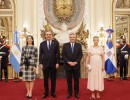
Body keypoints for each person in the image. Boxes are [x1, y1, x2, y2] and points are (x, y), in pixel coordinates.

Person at [39, 30, 60, 98]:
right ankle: (46, 92)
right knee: (45, 79)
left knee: (53, 79)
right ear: (45, 35)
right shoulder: (42, 44)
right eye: (47, 34)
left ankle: (53, 92)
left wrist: (57, 62)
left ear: (52, 35)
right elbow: (40, 54)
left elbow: (58, 54)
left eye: (49, 34)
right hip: (45, 64)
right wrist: (40, 63)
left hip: (53, 64)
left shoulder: (56, 43)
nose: (48, 35)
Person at [62, 33, 83, 99]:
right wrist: (68, 62)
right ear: (69, 38)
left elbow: (80, 55)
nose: (72, 38)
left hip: (76, 66)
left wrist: (76, 62)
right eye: (71, 37)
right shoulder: (65, 45)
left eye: (73, 37)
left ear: (75, 37)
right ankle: (69, 93)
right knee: (69, 81)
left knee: (76, 81)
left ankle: (76, 93)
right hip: (68, 66)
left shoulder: (79, 45)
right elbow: (63, 55)